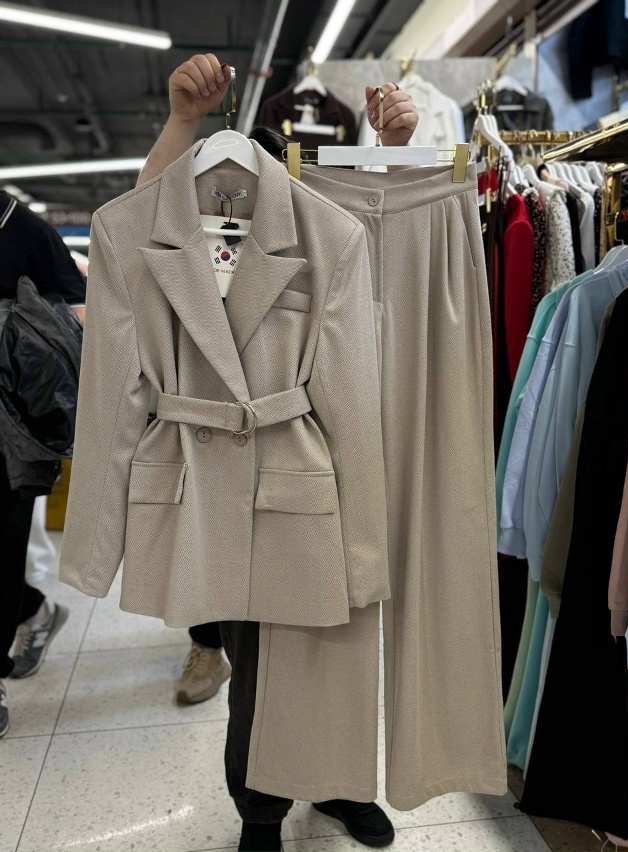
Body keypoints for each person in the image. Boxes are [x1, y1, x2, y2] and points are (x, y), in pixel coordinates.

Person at [137, 53, 418, 852]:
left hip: (344, 454)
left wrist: (390, 150)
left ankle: (339, 785)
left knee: (343, 646)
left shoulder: (322, 218)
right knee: (262, 669)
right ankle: (260, 814)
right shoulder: (200, 226)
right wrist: (183, 124)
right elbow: (140, 233)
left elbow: (389, 241)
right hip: (236, 478)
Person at [0, 195, 85, 737]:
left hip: (12, 415)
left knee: (4, 540)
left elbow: (78, 310)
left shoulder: (19, 225)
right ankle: (33, 609)